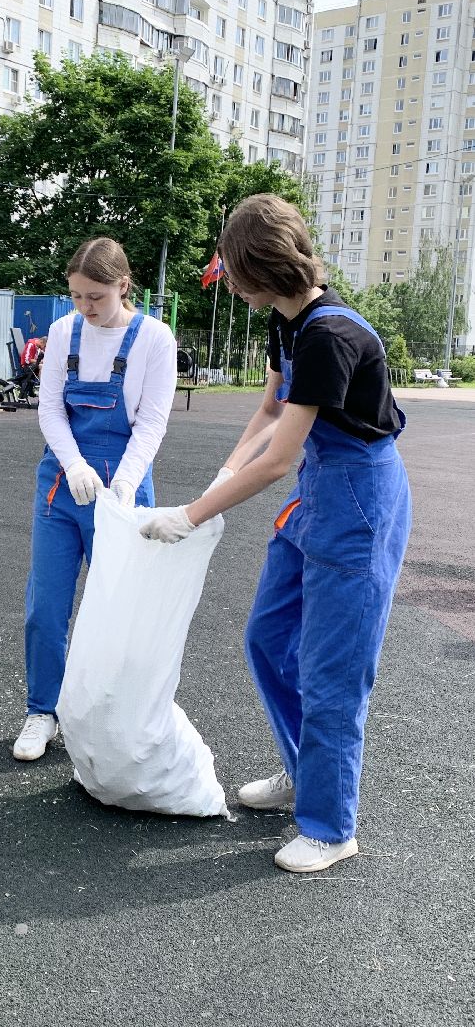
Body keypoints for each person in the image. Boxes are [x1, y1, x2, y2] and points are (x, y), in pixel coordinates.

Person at [139, 194, 412, 874]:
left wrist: (191, 515)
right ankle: (304, 769)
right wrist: (218, 478)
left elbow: (281, 457)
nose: (224, 282)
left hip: (357, 501)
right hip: (319, 489)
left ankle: (328, 825)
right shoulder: (284, 321)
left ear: (261, 271)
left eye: (231, 271)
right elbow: (268, 409)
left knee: (332, 672)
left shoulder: (327, 335)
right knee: (267, 638)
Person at [15, 237, 177, 761]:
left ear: (123, 286)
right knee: (46, 606)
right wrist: (75, 464)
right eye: (77, 296)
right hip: (63, 482)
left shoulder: (155, 338)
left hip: (124, 483)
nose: (85, 307)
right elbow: (50, 412)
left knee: (118, 612)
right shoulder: (64, 333)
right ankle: (43, 711)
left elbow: (152, 420)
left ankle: (110, 719)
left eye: (96, 297)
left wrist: (126, 484)